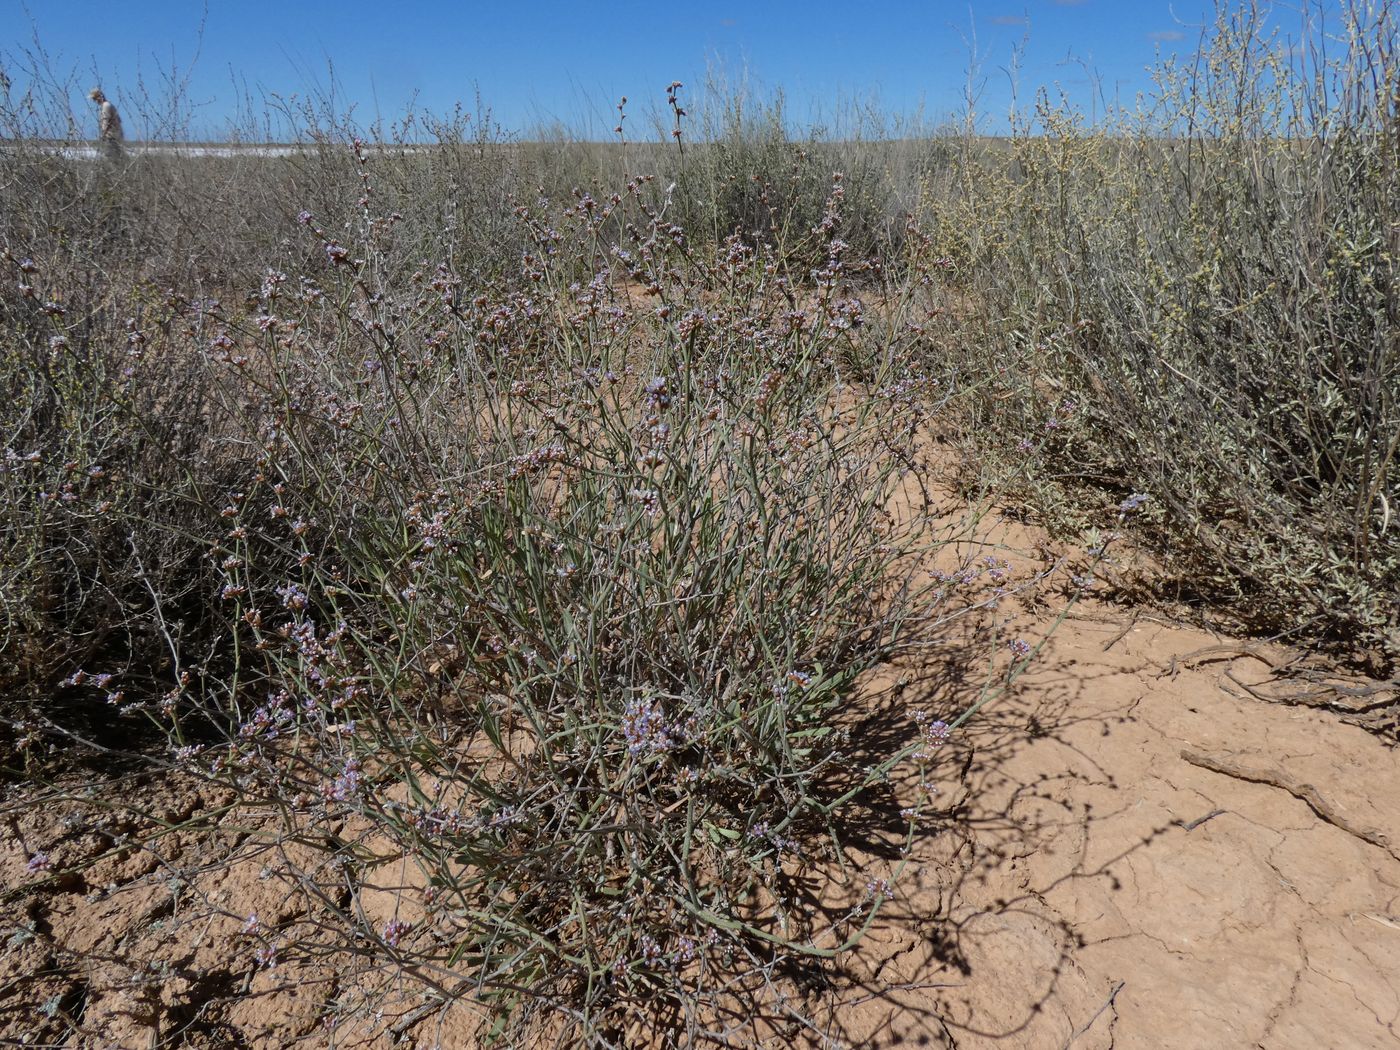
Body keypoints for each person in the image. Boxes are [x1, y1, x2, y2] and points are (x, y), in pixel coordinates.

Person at [88, 88, 123, 161]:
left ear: (98, 98)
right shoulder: (109, 104)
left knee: (109, 157)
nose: (94, 101)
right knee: (117, 156)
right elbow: (119, 120)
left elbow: (105, 121)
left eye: (94, 99)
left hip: (111, 136)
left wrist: (103, 135)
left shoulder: (106, 106)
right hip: (116, 134)